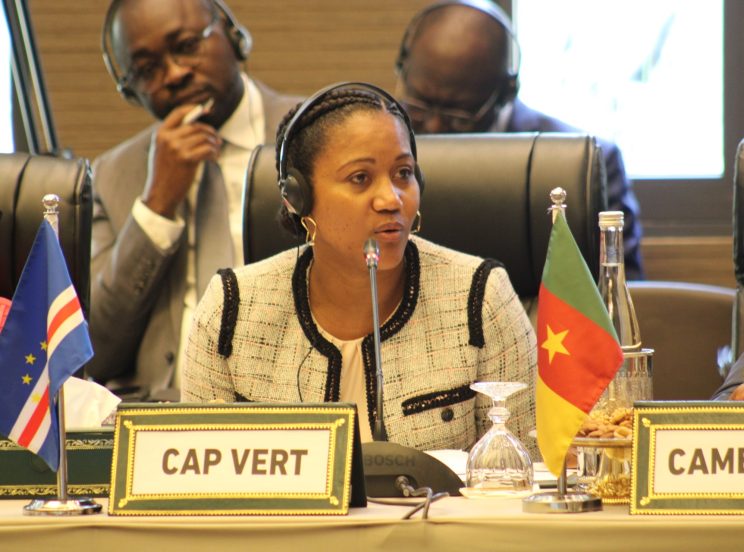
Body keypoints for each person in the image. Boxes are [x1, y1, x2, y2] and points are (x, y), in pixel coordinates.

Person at [181, 83, 537, 453]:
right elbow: (200, 471)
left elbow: (530, 466)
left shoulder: (479, 297)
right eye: (360, 178)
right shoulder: (232, 309)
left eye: (403, 173)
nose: (391, 199)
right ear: (297, 197)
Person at [86, 0, 301, 401]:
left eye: (186, 46)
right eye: (147, 70)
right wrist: (156, 206)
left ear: (232, 33)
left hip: (295, 398)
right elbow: (94, 350)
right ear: (131, 91)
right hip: (166, 412)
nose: (175, 74)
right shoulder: (113, 175)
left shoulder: (316, 134)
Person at [394, 0, 644, 279]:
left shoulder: (586, 162)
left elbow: (619, 286)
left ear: (506, 93)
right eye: (419, 104)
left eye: (459, 115)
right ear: (402, 68)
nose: (434, 125)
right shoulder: (382, 143)